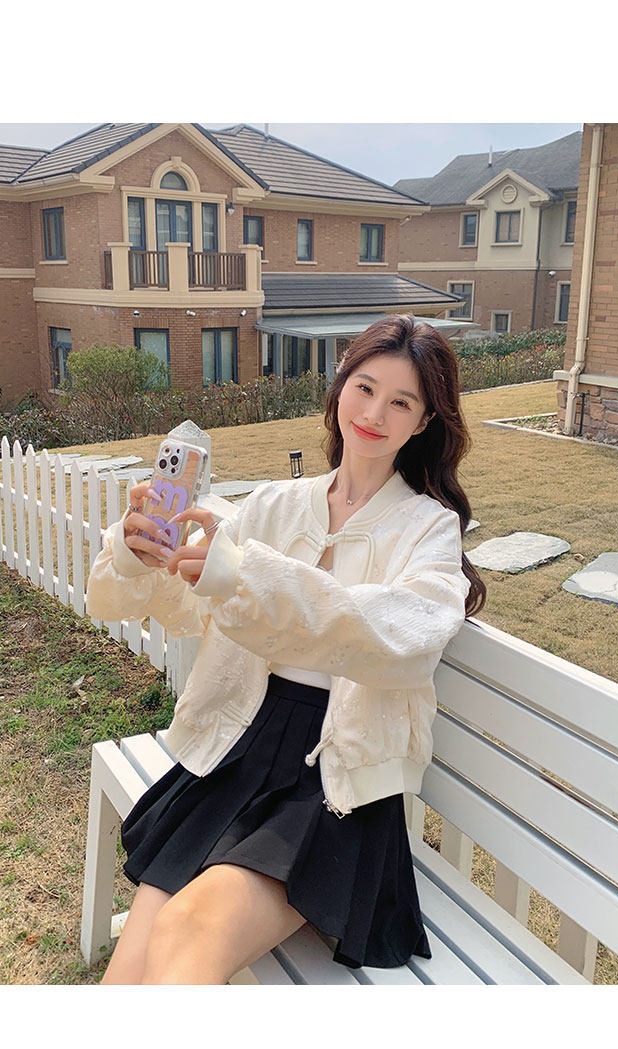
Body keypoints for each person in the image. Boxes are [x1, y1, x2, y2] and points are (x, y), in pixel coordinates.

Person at [86, 313, 486, 985]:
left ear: (424, 422)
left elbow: (400, 637)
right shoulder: (275, 504)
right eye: (365, 388)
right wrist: (140, 553)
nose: (374, 414)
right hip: (241, 746)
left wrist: (243, 576)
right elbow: (188, 604)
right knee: (134, 960)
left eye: (401, 402)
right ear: (340, 387)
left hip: (336, 778)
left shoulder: (428, 530)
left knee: (188, 928)